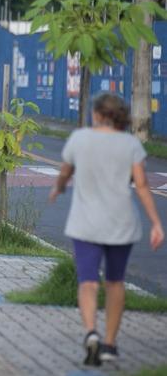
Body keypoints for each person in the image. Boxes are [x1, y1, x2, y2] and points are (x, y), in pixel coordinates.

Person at [49, 93, 164, 366]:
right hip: (121, 223)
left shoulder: (79, 138)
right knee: (115, 282)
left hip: (86, 222)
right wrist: (156, 223)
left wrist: (59, 187)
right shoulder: (131, 144)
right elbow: (143, 185)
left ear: (98, 114)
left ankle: (91, 331)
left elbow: (65, 171)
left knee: (87, 281)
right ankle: (110, 344)